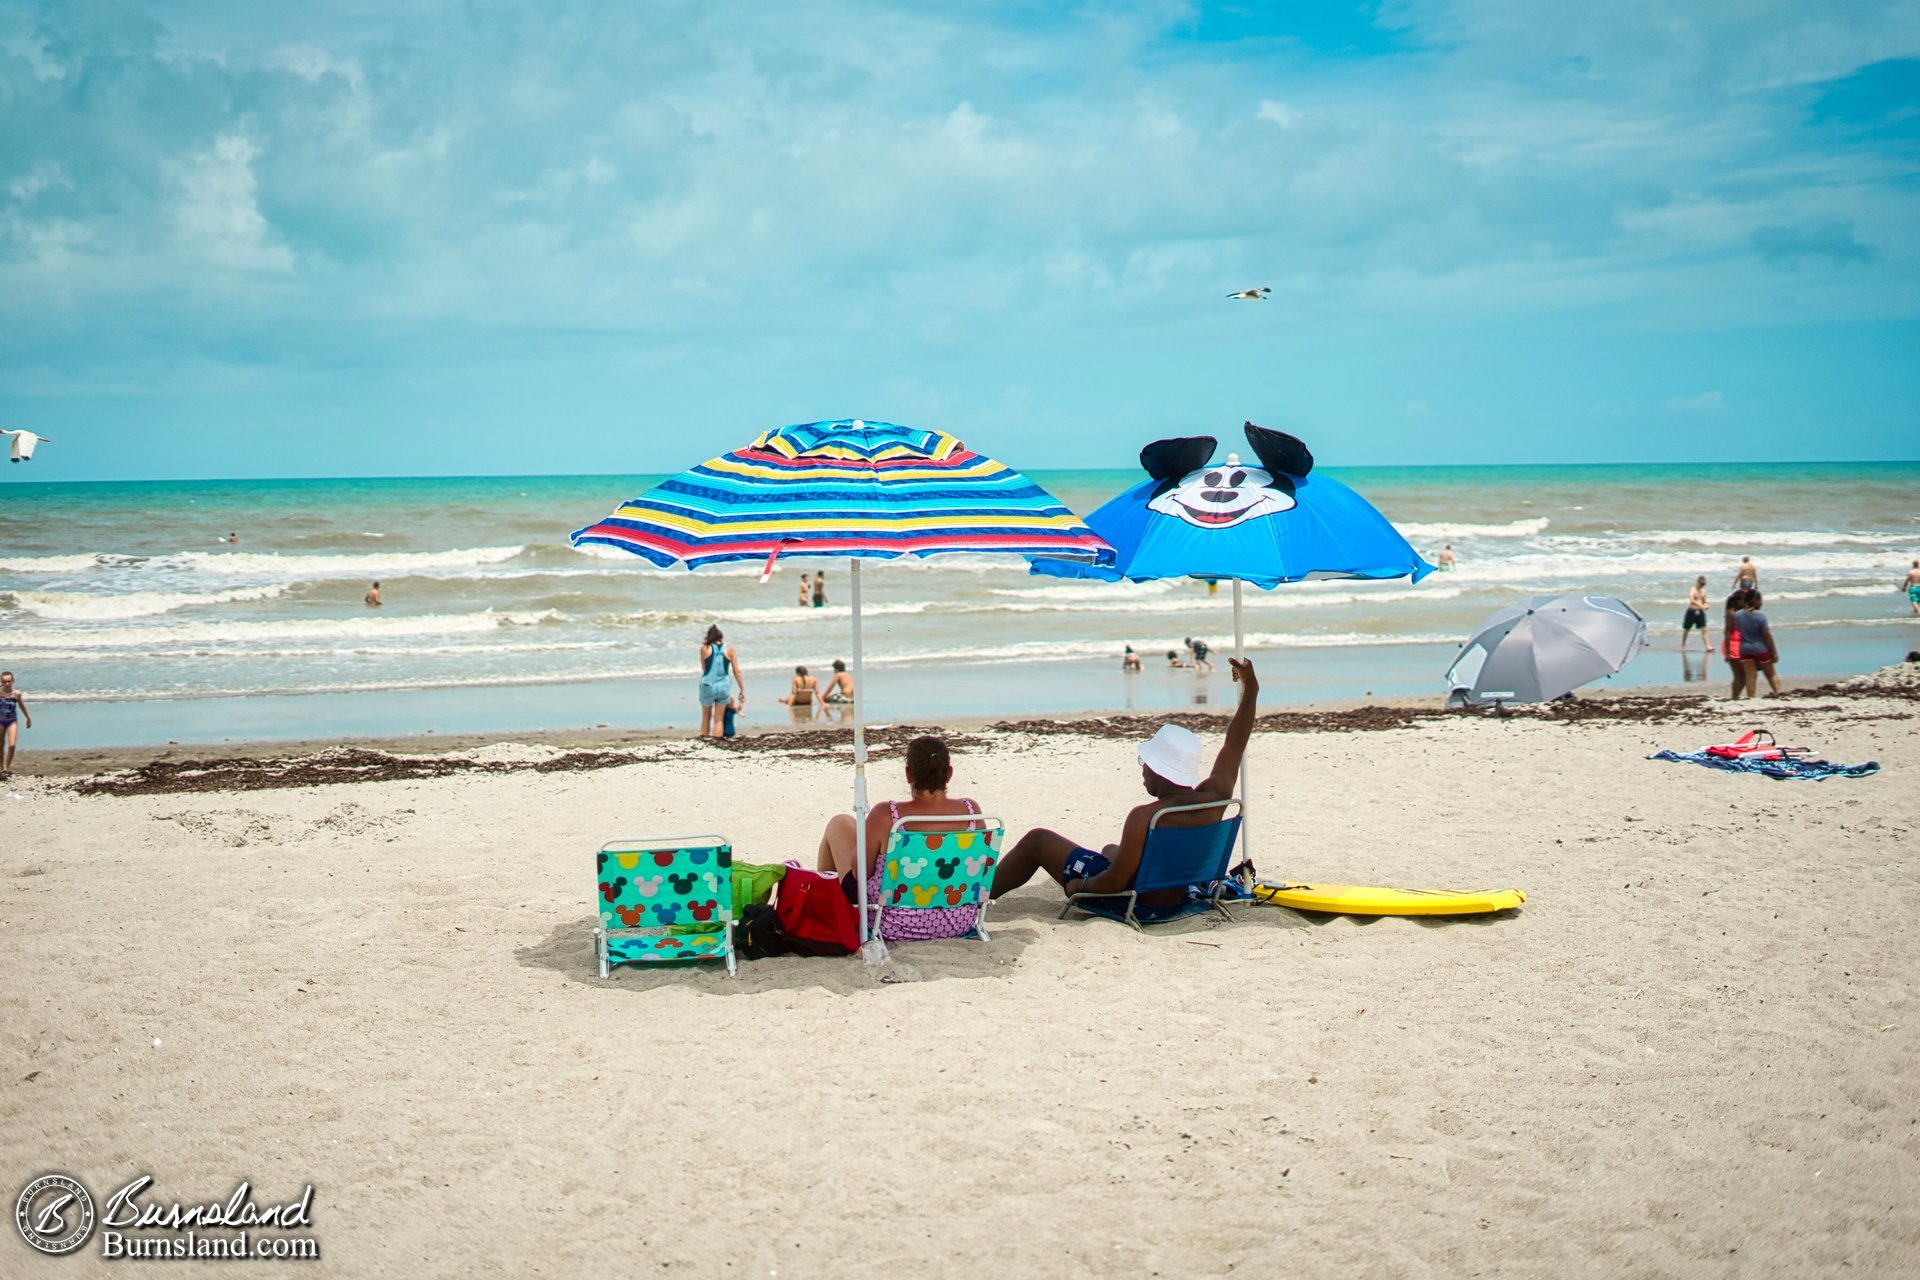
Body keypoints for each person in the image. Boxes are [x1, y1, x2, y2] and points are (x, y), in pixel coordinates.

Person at [992, 658, 1258, 913]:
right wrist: (1251, 689)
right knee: (1110, 850)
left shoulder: (1146, 816)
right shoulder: (1216, 798)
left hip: (1136, 903)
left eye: (1145, 762)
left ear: (1157, 770)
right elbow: (1234, 744)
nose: (1142, 769)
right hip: (1174, 897)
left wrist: (1078, 886)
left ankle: (974, 897)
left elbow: (1114, 884)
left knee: (1037, 840)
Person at [815, 735, 987, 940]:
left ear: (908, 774)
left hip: (893, 924)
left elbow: (860, 872)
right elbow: (979, 871)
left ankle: (821, 911)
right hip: (957, 923)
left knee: (840, 823)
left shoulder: (886, 815)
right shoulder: (972, 812)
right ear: (949, 774)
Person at [697, 624, 745, 737]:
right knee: (719, 719)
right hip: (724, 685)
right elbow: (737, 671)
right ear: (721, 638)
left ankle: (704, 740)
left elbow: (704, 668)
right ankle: (717, 742)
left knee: (706, 716)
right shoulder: (730, 650)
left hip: (708, 684)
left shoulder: (704, 648)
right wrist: (742, 689)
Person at [1738, 590, 1782, 697]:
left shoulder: (1738, 615)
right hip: (1760, 648)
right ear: (1756, 601)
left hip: (1744, 649)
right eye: (1760, 600)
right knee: (1770, 674)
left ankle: (1751, 697)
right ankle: (1779, 693)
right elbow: (1766, 635)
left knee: (1750, 676)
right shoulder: (1761, 616)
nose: (1761, 603)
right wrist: (1774, 652)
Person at [1722, 588, 1752, 698]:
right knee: (1740, 675)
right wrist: (1728, 652)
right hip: (1733, 645)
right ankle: (1734, 697)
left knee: (1742, 675)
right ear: (1737, 601)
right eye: (1743, 600)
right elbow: (1727, 632)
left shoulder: (1739, 613)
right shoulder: (1731, 613)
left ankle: (1735, 696)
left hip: (1739, 644)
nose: (1745, 603)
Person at [0, 671, 31, 777]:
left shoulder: (16, 694)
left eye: (9, 681)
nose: (7, 683)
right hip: (0, 721)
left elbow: (22, 706)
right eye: (5, 682)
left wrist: (28, 718)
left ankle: (6, 768)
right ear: (2, 682)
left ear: (13, 681)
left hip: (12, 721)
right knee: (0, 745)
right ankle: (2, 767)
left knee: (12, 745)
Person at [1681, 576, 1710, 654]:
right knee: (1687, 629)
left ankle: (1707, 646)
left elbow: (1704, 602)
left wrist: (1706, 605)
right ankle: (1683, 644)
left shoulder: (1703, 591)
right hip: (1691, 611)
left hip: (1700, 611)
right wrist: (1702, 606)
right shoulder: (1692, 589)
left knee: (1704, 629)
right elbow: (1692, 600)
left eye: (1703, 585)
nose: (1701, 586)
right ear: (1697, 582)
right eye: (1701, 584)